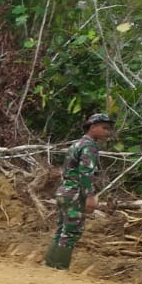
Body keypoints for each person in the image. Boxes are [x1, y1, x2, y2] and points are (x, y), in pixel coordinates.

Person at [45, 112, 113, 270]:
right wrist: (89, 197)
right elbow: (85, 173)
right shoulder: (89, 146)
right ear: (93, 127)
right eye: (104, 128)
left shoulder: (77, 144)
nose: (107, 132)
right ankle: (60, 268)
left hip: (64, 190)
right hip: (75, 193)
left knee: (62, 229)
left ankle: (50, 266)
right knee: (71, 232)